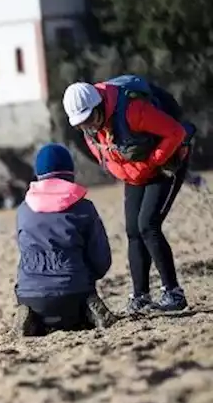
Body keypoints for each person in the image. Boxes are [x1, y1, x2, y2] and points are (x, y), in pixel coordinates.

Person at [62, 77, 195, 313]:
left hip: (168, 162)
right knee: (133, 230)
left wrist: (152, 163)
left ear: (100, 105)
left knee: (148, 225)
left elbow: (175, 132)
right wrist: (133, 173)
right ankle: (140, 296)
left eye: (90, 119)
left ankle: (173, 293)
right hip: (135, 171)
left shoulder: (134, 110)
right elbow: (104, 156)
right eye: (81, 124)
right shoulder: (89, 128)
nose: (88, 126)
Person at [13, 143, 117, 336]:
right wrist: (90, 276)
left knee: (32, 279)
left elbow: (23, 250)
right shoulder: (84, 208)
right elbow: (101, 258)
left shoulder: (23, 210)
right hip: (74, 292)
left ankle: (30, 314)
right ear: (70, 172)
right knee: (80, 299)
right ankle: (88, 309)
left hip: (31, 293)